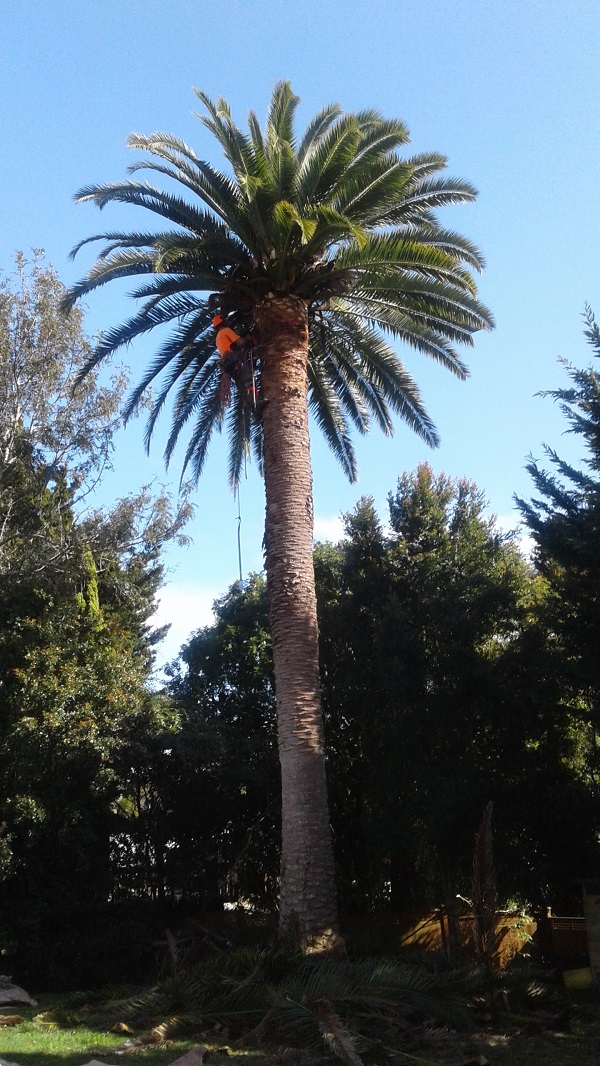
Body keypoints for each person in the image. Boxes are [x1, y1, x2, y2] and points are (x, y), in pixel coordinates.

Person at [213, 314, 256, 405]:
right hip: (233, 359)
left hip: (228, 365)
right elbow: (240, 343)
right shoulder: (226, 331)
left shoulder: (218, 338)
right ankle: (257, 402)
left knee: (241, 383)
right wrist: (247, 337)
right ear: (223, 322)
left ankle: (252, 406)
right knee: (248, 380)